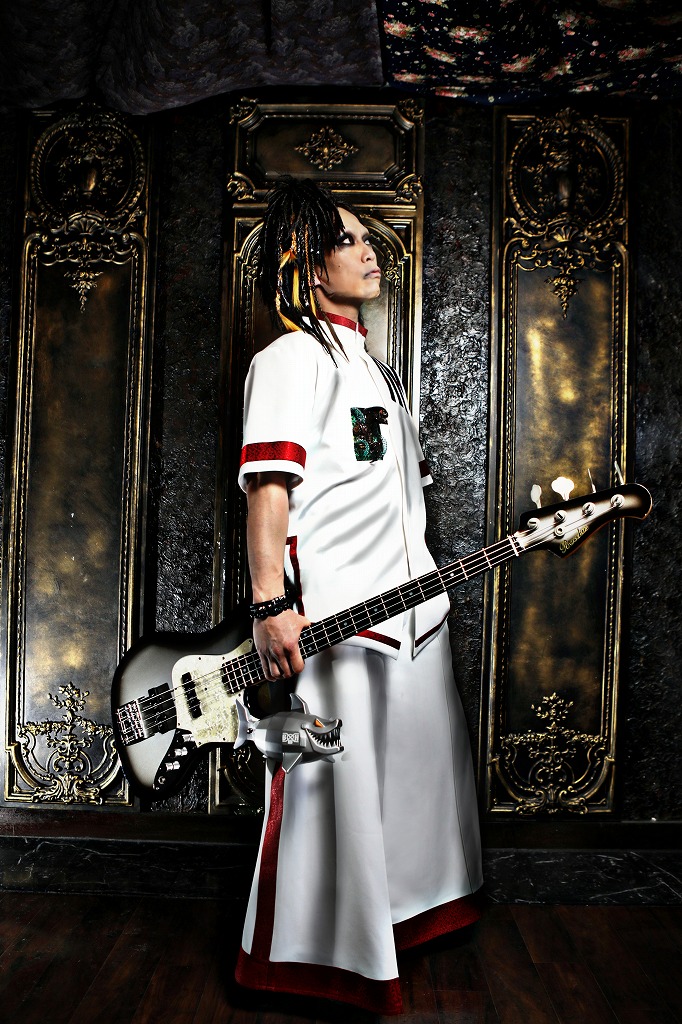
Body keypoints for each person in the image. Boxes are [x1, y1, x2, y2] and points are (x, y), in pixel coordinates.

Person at [235, 177, 482, 1016]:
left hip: (411, 619)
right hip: (337, 625)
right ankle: (316, 960)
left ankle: (402, 924)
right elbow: (269, 490)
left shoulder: (373, 366)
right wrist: (270, 606)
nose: (371, 251)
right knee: (325, 790)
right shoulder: (288, 359)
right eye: (348, 240)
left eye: (369, 237)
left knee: (413, 789)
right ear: (307, 265)